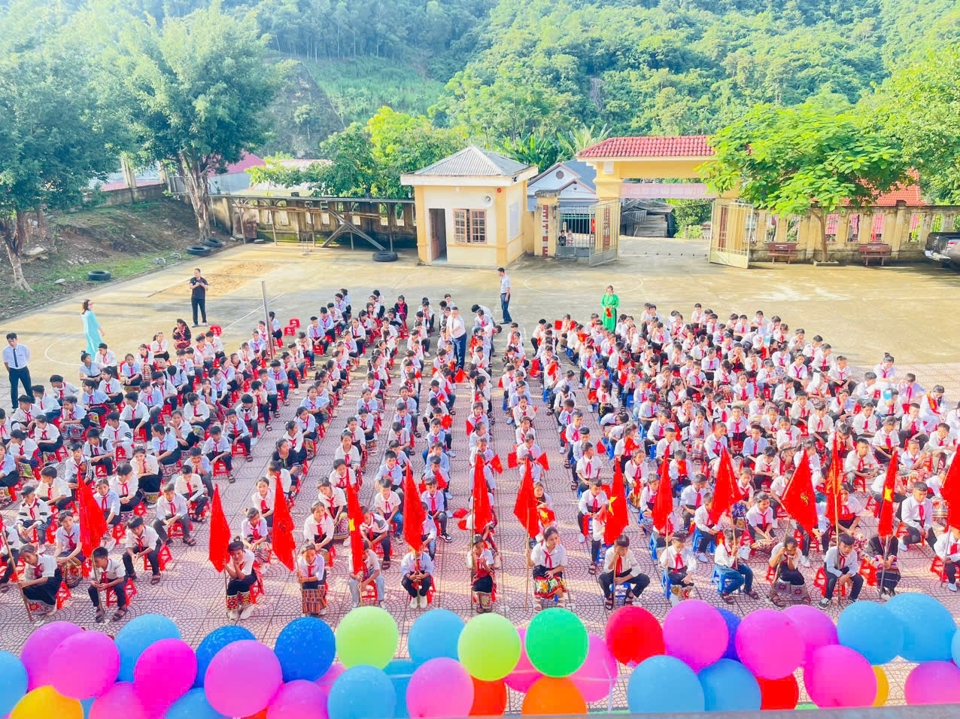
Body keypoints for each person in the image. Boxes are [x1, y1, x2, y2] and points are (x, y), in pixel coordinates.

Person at [599, 535, 650, 609]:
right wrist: (613, 561)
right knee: (602, 579)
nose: (625, 551)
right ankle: (609, 596)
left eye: (626, 548)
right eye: (622, 549)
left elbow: (637, 569)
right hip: (613, 572)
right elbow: (607, 570)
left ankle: (630, 596)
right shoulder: (609, 552)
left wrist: (623, 579)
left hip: (626, 572)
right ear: (616, 547)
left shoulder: (629, 553)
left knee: (645, 579)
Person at [15, 544, 63, 617]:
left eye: (28, 556)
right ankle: (39, 606)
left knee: (43, 587)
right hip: (38, 579)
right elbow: (28, 579)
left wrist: (29, 583)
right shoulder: (28, 567)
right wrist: (24, 585)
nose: (26, 560)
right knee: (26, 588)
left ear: (34, 553)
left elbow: (46, 578)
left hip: (53, 577)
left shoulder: (47, 559)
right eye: (24, 559)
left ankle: (52, 603)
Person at [714, 529, 759, 602]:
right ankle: (725, 592)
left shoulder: (735, 545)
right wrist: (732, 554)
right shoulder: (722, 550)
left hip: (733, 563)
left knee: (749, 572)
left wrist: (738, 554)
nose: (740, 539)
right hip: (723, 566)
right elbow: (728, 564)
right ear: (732, 541)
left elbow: (739, 557)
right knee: (740, 579)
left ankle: (747, 589)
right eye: (739, 538)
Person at [820, 533, 863, 607]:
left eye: (850, 547)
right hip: (832, 567)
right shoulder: (832, 552)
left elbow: (854, 567)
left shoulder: (853, 553)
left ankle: (853, 597)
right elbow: (829, 567)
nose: (847, 549)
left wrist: (847, 576)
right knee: (832, 579)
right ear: (839, 545)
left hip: (845, 567)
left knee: (859, 579)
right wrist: (841, 575)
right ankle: (827, 598)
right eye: (845, 546)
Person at [528, 527, 567, 606]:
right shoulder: (538, 548)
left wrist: (552, 572)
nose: (555, 541)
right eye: (551, 539)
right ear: (545, 539)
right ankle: (537, 599)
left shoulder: (561, 549)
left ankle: (561, 597)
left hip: (555, 569)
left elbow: (563, 565)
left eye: (556, 538)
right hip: (541, 569)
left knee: (554, 584)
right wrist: (528, 557)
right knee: (541, 584)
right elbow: (531, 564)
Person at [88, 546, 128, 623]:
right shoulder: (96, 565)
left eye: (96, 561)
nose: (94, 563)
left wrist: (107, 585)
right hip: (106, 578)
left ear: (105, 558)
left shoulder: (116, 564)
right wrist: (94, 584)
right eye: (93, 561)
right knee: (91, 589)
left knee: (119, 588)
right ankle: (99, 608)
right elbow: (92, 579)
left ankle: (123, 607)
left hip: (119, 577)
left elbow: (121, 579)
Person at [768, 537, 809, 607]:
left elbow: (792, 568)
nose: (792, 552)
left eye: (794, 550)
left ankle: (803, 594)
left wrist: (789, 558)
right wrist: (779, 554)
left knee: (797, 576)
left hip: (789, 566)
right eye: (790, 550)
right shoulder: (778, 548)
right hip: (778, 565)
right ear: (785, 548)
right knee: (785, 575)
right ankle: (773, 594)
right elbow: (772, 564)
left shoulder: (798, 552)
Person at [224, 539, 258, 620]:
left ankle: (247, 606)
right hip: (237, 575)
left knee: (242, 582)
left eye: (238, 553)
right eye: (233, 554)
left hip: (250, 574)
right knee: (232, 584)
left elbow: (242, 577)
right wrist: (226, 566)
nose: (236, 556)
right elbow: (234, 575)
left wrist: (236, 566)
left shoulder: (249, 555)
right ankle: (233, 609)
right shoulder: (229, 558)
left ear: (243, 551)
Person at [123, 516, 163, 583]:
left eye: (138, 528)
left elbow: (151, 547)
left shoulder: (150, 531)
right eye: (133, 529)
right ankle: (131, 573)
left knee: (152, 555)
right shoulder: (129, 532)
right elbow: (128, 546)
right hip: (141, 545)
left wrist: (140, 555)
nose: (136, 531)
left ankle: (156, 573)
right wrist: (132, 555)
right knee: (126, 556)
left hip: (154, 544)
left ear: (142, 525)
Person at [659, 535, 697, 604]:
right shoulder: (668, 551)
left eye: (682, 546)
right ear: (673, 543)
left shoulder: (688, 551)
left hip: (683, 569)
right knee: (676, 581)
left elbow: (692, 564)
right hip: (671, 569)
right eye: (678, 547)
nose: (680, 549)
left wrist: (689, 576)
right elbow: (661, 564)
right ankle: (674, 597)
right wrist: (664, 563)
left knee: (687, 582)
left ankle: (684, 592)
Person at [348, 540, 385, 608]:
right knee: (352, 582)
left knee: (380, 578)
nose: (367, 553)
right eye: (365, 552)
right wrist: (356, 577)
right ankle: (356, 601)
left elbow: (377, 571)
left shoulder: (372, 554)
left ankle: (381, 600)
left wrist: (365, 582)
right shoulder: (352, 557)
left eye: (368, 551)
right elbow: (351, 573)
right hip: (358, 573)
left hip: (370, 571)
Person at [400, 542, 435, 609]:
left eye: (420, 549)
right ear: (410, 550)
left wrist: (423, 576)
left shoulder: (426, 557)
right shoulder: (407, 558)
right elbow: (404, 569)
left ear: (423, 549)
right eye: (415, 550)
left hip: (423, 572)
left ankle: (422, 594)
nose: (418, 552)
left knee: (427, 582)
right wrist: (410, 577)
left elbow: (429, 568)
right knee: (404, 582)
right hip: (411, 572)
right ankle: (414, 595)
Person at [867, 531, 901, 598]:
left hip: (887, 558)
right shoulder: (873, 539)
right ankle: (880, 587)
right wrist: (882, 561)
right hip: (874, 557)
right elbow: (875, 552)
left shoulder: (894, 539)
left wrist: (889, 562)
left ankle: (891, 587)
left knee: (895, 568)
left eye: (891, 533)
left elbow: (893, 553)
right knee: (881, 567)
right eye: (888, 533)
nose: (890, 535)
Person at [296, 541, 327, 617]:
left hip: (317, 578)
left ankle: (320, 606)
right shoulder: (299, 562)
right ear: (303, 555)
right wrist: (299, 578)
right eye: (307, 556)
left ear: (315, 553)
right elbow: (302, 577)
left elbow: (319, 576)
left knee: (318, 588)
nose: (310, 558)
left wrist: (305, 580)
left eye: (312, 555)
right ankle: (306, 608)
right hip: (307, 578)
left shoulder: (320, 559)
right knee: (306, 589)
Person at [4, 333, 32, 411]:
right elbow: (5, 362)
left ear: (16, 339)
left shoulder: (24, 348)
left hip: (23, 369)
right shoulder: (6, 350)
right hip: (13, 371)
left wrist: (22, 365)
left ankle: (32, 403)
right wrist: (10, 371)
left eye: (13, 340)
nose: (11, 343)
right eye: (9, 341)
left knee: (28, 387)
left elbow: (27, 357)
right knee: (14, 389)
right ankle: (15, 406)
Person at [468, 533, 495, 612]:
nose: (480, 549)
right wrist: (474, 559)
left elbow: (489, 570)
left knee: (487, 583)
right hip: (477, 575)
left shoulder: (487, 553)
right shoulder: (471, 554)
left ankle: (486, 603)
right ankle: (479, 603)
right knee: (477, 585)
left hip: (486, 574)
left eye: (482, 546)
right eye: (478, 547)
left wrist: (484, 564)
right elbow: (475, 570)